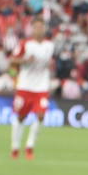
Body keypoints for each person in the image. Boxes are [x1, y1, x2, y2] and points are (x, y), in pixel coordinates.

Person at [9, 18, 54, 160]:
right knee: (21, 117)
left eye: (41, 27)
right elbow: (12, 60)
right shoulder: (25, 44)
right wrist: (26, 60)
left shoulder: (49, 45)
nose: (39, 30)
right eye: (36, 27)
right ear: (32, 29)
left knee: (41, 115)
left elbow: (49, 63)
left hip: (42, 86)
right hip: (25, 86)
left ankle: (30, 146)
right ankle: (15, 147)